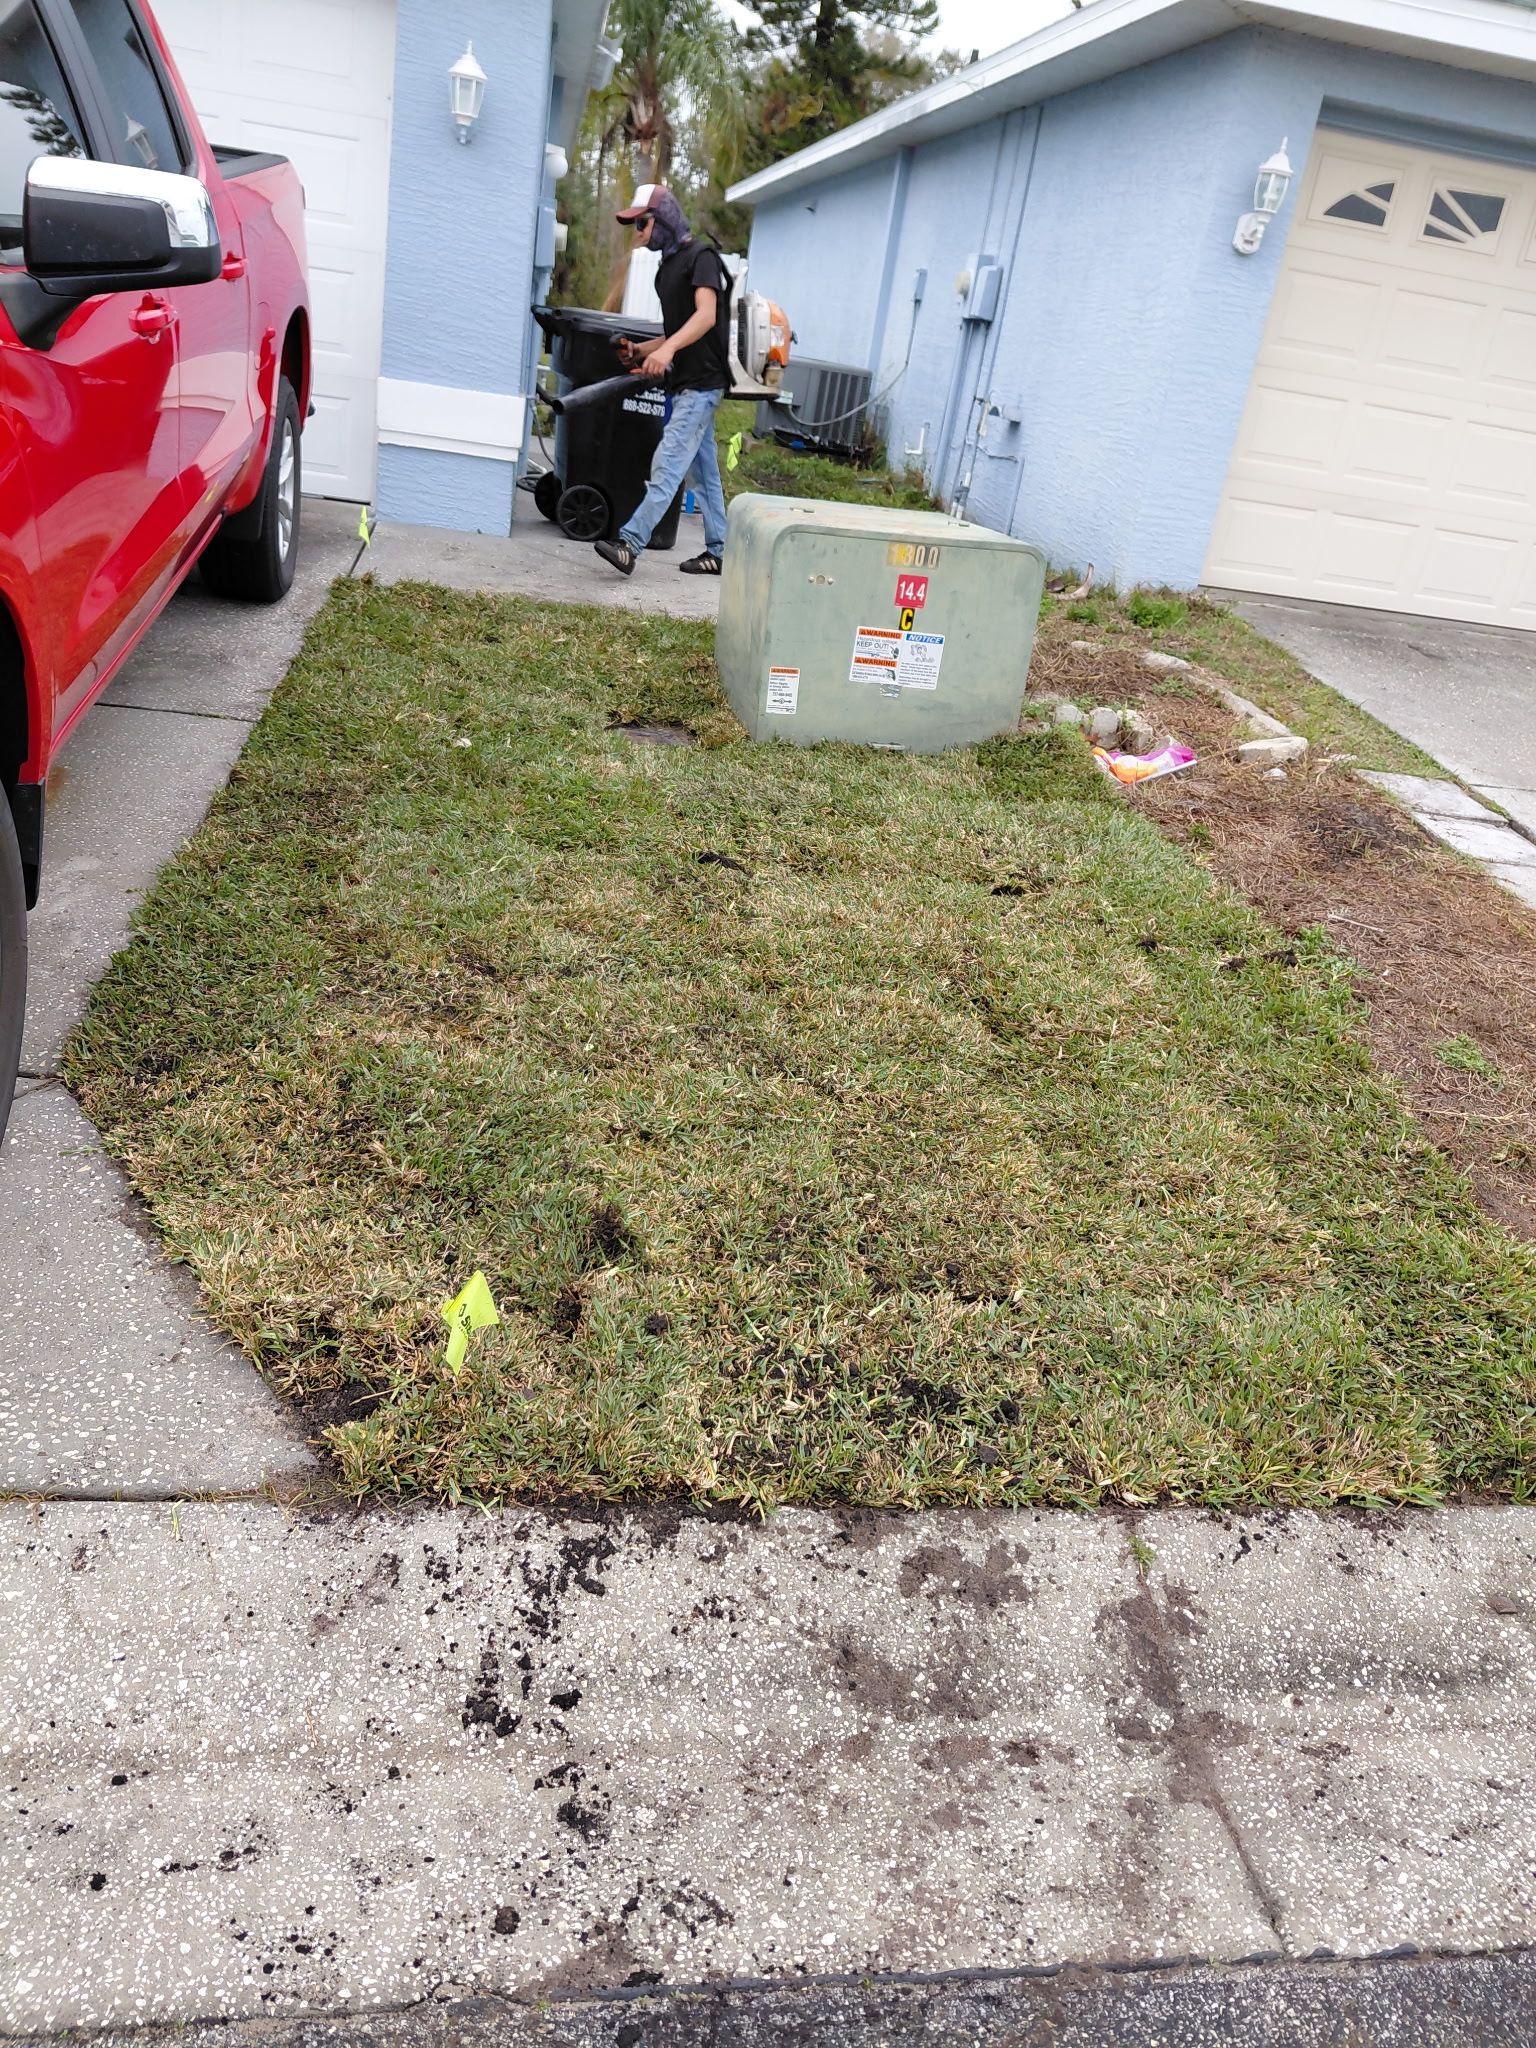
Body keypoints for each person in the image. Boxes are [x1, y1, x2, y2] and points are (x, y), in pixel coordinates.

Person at [595, 184, 730, 579]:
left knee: (668, 462)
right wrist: (642, 350)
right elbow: (676, 330)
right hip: (686, 383)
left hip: (703, 383)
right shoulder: (665, 270)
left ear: (665, 221)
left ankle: (630, 545)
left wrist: (667, 352)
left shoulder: (701, 258)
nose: (637, 232)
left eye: (642, 223)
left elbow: (705, 316)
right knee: (704, 474)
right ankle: (719, 550)